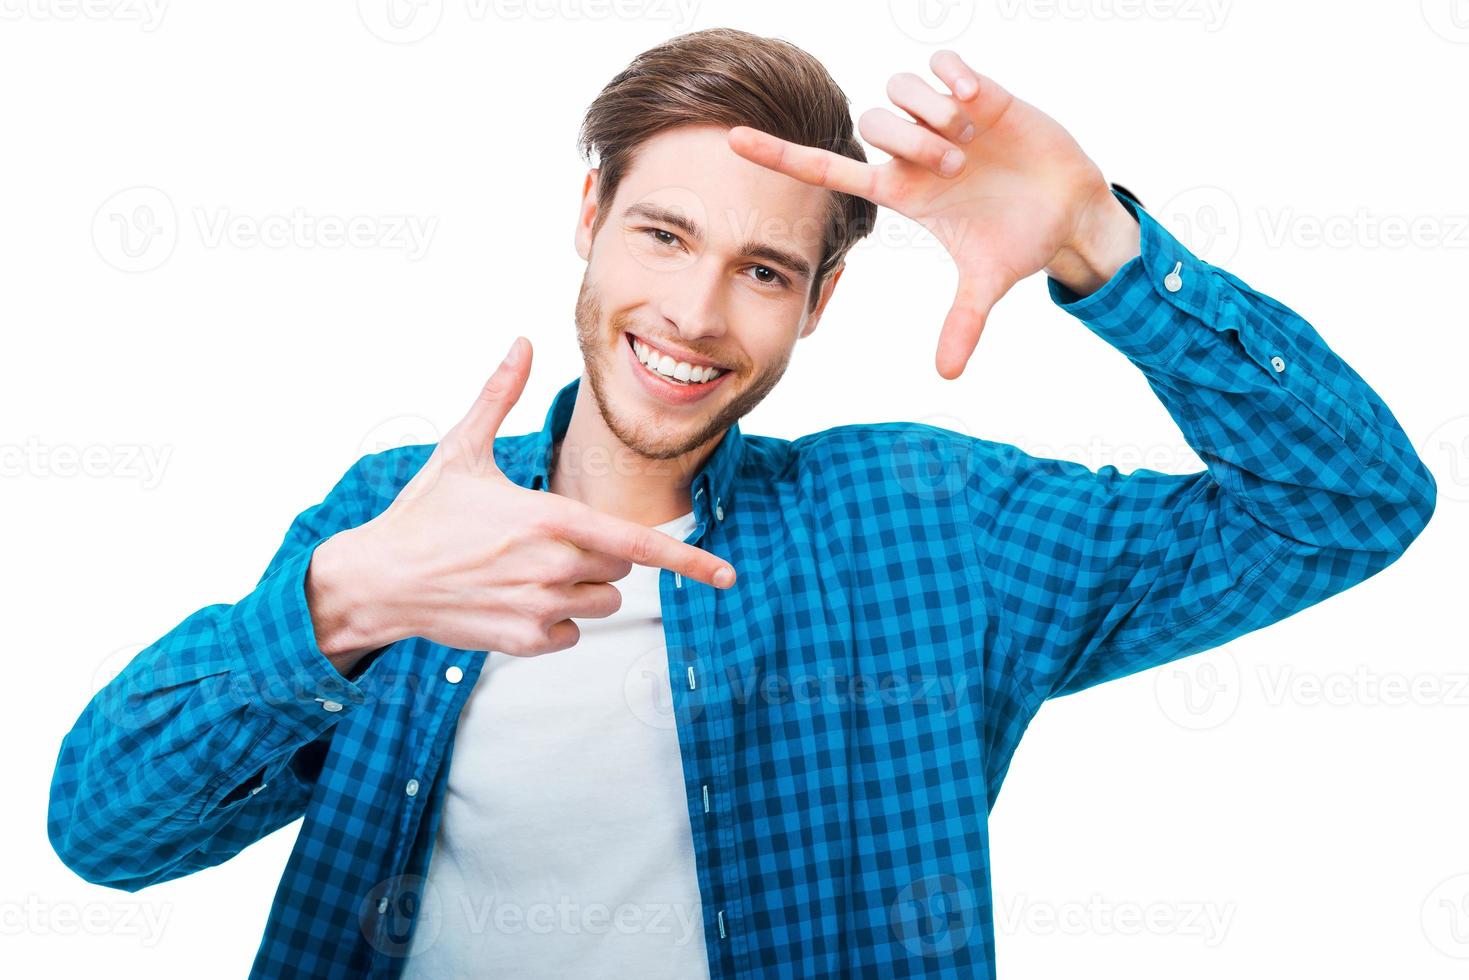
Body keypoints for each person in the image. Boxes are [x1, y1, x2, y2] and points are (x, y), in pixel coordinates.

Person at [48, 27, 1436, 980]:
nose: (696, 315)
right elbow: (105, 837)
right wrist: (334, 610)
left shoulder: (931, 523)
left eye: (765, 272)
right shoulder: (406, 518)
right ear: (588, 216)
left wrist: (1100, 246)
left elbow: (1345, 502)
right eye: (663, 235)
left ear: (821, 301)